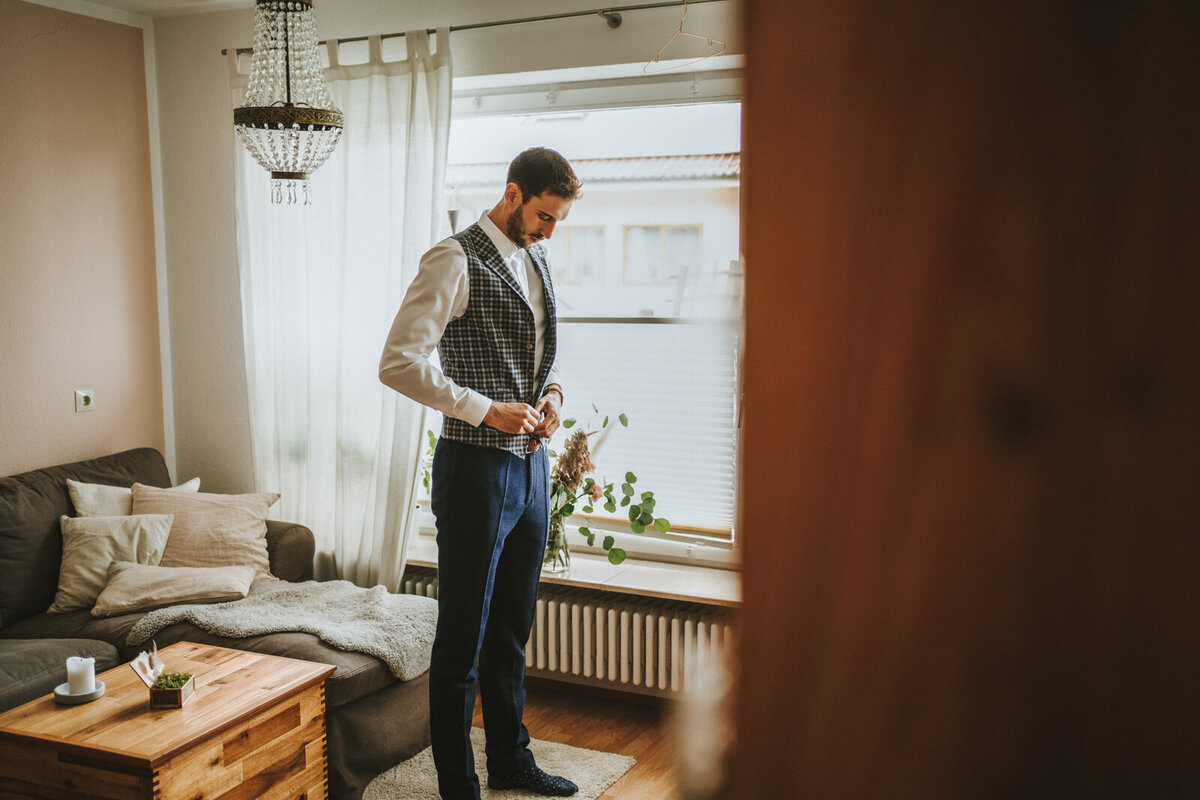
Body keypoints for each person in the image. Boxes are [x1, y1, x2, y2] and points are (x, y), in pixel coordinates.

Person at [379, 147, 582, 800]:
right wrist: (482, 409)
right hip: (473, 471)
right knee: (462, 638)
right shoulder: (454, 258)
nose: (551, 230)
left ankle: (510, 761)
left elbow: (547, 349)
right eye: (545, 216)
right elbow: (397, 361)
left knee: (511, 632)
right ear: (514, 193)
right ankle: (458, 786)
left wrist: (552, 398)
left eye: (557, 220)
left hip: (531, 473)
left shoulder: (538, 255)